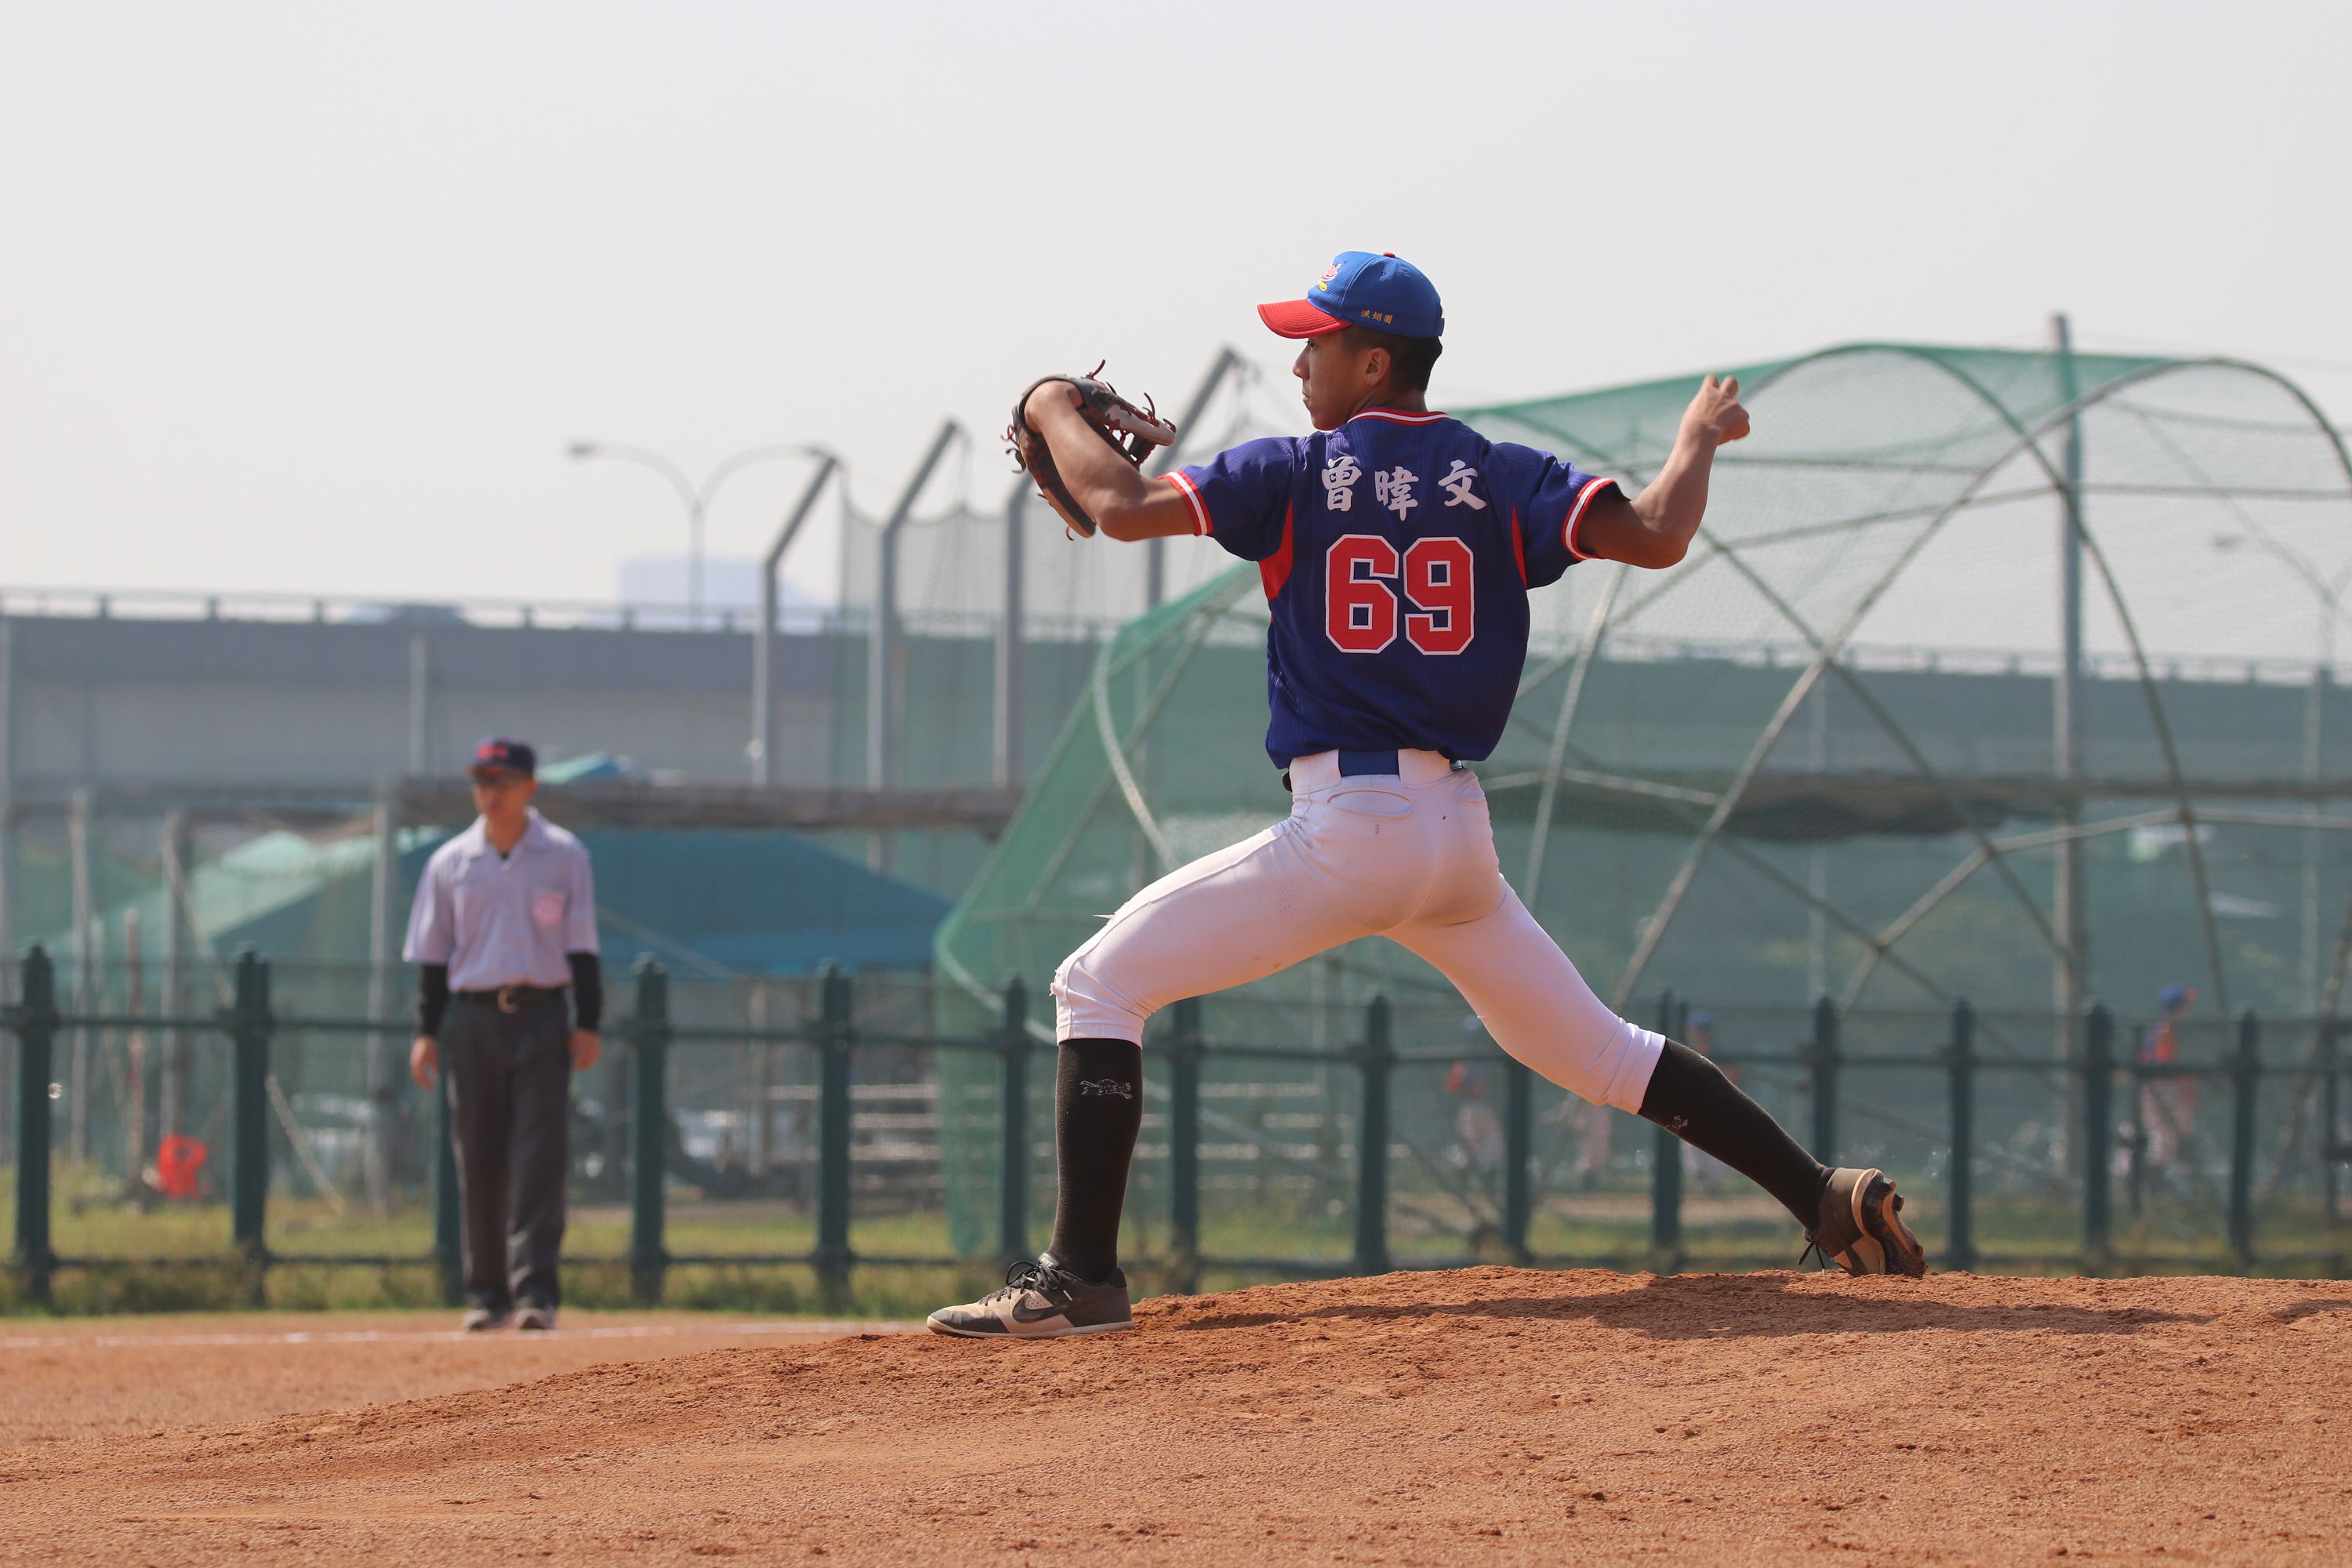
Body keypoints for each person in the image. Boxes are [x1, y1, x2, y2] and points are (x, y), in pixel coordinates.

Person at [929, 252, 1924, 1339]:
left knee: (1096, 984)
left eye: (1317, 343)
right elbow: (1659, 534)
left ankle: (1079, 1278)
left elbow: (1119, 507)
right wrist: (1695, 441)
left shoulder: (1295, 471)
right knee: (1601, 1053)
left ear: (1373, 361)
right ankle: (1821, 1193)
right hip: (1453, 839)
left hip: (1351, 828)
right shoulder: (1497, 473)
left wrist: (1048, 403)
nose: (1299, 363)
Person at [405, 737, 603, 1332]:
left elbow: (582, 946)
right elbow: (433, 956)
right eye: (483, 781)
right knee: (479, 1154)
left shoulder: (564, 856)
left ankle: (536, 1292)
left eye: (503, 781)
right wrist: (427, 1030)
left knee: (540, 1154)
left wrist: (587, 1021)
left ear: (529, 788)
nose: (491, 792)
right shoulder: (451, 862)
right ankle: (488, 1294)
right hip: (473, 1018)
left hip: (543, 1015)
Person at [2137, 984, 2199, 1174]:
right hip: (2161, 1089)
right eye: (2185, 1005)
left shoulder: (2167, 1030)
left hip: (2163, 1089)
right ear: (2177, 1008)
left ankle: (2169, 1178)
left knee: (2178, 1135)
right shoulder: (2164, 1031)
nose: (2188, 1009)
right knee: (2165, 1139)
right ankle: (2149, 1178)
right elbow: (2165, 1066)